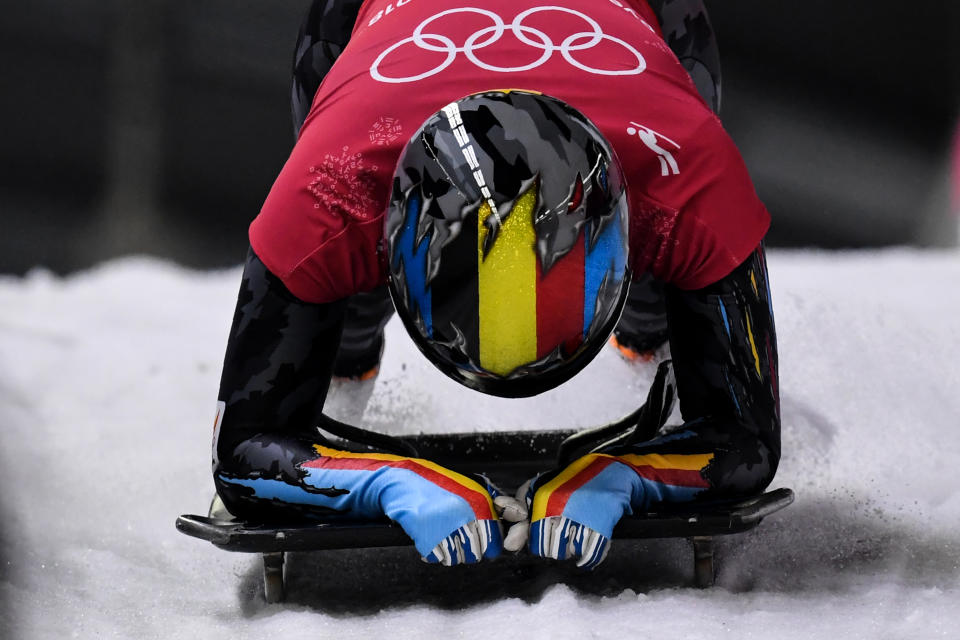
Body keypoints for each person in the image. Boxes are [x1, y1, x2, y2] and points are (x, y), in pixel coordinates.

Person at [211, 0, 780, 569]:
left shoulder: (693, 180)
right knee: (343, 311)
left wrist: (622, 476)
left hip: (642, 46)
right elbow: (237, 454)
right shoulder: (328, 191)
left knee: (659, 309)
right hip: (366, 60)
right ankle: (352, 351)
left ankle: (644, 333)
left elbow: (751, 440)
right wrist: (387, 483)